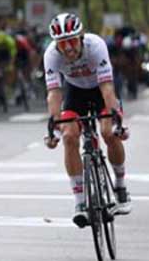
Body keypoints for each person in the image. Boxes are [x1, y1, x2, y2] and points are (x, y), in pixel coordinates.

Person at [42, 13, 131, 227]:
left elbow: (107, 87)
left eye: (72, 41)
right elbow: (54, 93)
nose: (68, 48)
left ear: (81, 37)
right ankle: (80, 202)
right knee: (69, 137)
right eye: (62, 43)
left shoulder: (96, 46)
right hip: (75, 92)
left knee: (108, 132)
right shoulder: (51, 55)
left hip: (100, 89)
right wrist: (54, 129)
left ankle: (120, 187)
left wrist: (117, 120)